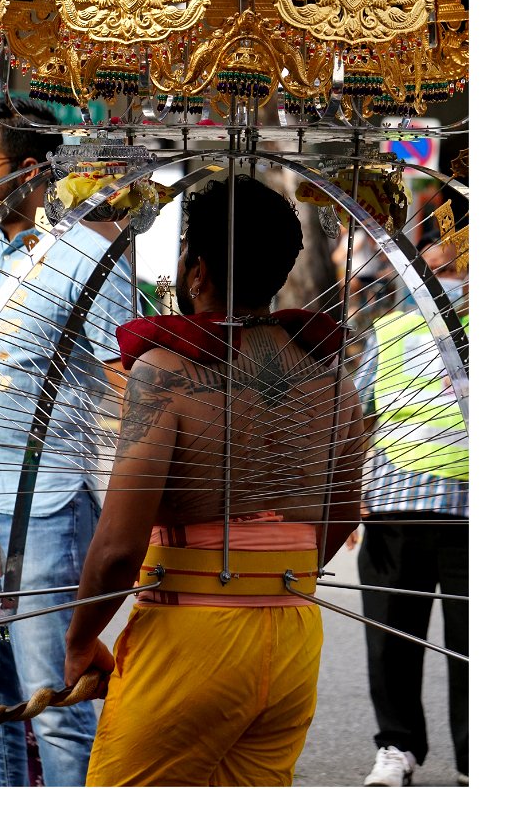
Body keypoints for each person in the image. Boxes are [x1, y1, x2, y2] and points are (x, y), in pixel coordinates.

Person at [63, 175, 364, 786]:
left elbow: (119, 549)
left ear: (196, 270)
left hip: (190, 636)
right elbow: (341, 514)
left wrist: (81, 640)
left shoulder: (166, 371)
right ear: (280, 269)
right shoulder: (331, 376)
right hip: (293, 637)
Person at [0, 98, 134, 786]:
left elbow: (129, 390)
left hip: (47, 508)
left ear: (29, 172)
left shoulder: (86, 255)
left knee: (56, 706)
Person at [351, 236, 469, 787]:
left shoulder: (392, 327)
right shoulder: (393, 330)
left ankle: (398, 749)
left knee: (393, 639)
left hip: (406, 505)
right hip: (422, 505)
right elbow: (363, 411)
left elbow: (359, 414)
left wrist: (347, 492)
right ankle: (468, 759)